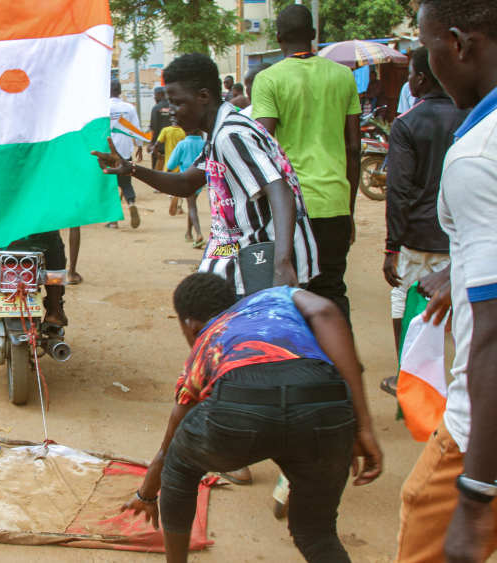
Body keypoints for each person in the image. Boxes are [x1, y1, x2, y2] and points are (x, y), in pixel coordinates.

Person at [121, 273, 382, 563]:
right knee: (316, 531)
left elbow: (170, 443)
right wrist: (363, 426)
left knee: (179, 466)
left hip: (241, 402)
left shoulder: (205, 344)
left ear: (189, 325)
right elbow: (324, 310)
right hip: (322, 403)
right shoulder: (276, 297)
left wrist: (147, 495)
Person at [394, 0, 497, 560]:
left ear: (457, 44)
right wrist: (459, 271)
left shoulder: (477, 156)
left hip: (478, 431)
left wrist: (475, 496)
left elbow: (494, 333)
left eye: (429, 45)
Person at [92, 53, 319, 298]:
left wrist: (282, 263)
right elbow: (187, 183)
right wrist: (132, 169)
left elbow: (279, 189)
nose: (171, 111)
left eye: (177, 102)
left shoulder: (231, 135)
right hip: (241, 258)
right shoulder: (218, 133)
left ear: (203, 97)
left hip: (263, 264)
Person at [251, 4, 362, 322]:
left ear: (278, 37)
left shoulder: (268, 80)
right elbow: (354, 148)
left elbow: (263, 148)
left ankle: (300, 367)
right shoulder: (343, 76)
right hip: (335, 204)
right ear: (314, 36)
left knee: (289, 295)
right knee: (332, 291)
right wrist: (349, 210)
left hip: (290, 210)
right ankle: (340, 368)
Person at [380, 47, 466, 395]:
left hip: (416, 237)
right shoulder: (473, 117)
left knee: (407, 303)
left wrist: (391, 246)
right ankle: (465, 387)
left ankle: (410, 383)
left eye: (411, 75)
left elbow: (398, 191)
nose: (408, 82)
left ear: (422, 78)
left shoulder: (406, 124)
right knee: (463, 318)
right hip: (458, 238)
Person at [107, 79, 142, 229]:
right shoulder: (129, 108)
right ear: (120, 91)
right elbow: (136, 128)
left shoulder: (103, 107)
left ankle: (113, 220)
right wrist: (139, 146)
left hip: (109, 149)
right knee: (126, 182)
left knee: (110, 185)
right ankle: (131, 203)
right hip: (125, 147)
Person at [165, 130, 206, 248]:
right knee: (191, 204)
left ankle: (198, 234)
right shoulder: (205, 144)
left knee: (192, 206)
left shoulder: (182, 144)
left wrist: (166, 176)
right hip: (201, 180)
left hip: (187, 179)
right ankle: (188, 233)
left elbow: (171, 165)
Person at [155, 111, 187, 216]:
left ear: (171, 121)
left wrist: (157, 154)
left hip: (169, 162)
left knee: (169, 183)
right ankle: (179, 207)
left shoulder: (166, 130)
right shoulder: (183, 132)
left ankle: (172, 198)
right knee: (180, 185)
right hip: (181, 163)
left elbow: (157, 144)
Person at [148, 86, 170, 169]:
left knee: (156, 170)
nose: (154, 97)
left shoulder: (156, 108)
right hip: (173, 145)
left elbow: (153, 128)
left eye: (155, 95)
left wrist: (151, 144)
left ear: (159, 94)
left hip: (159, 146)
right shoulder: (173, 106)